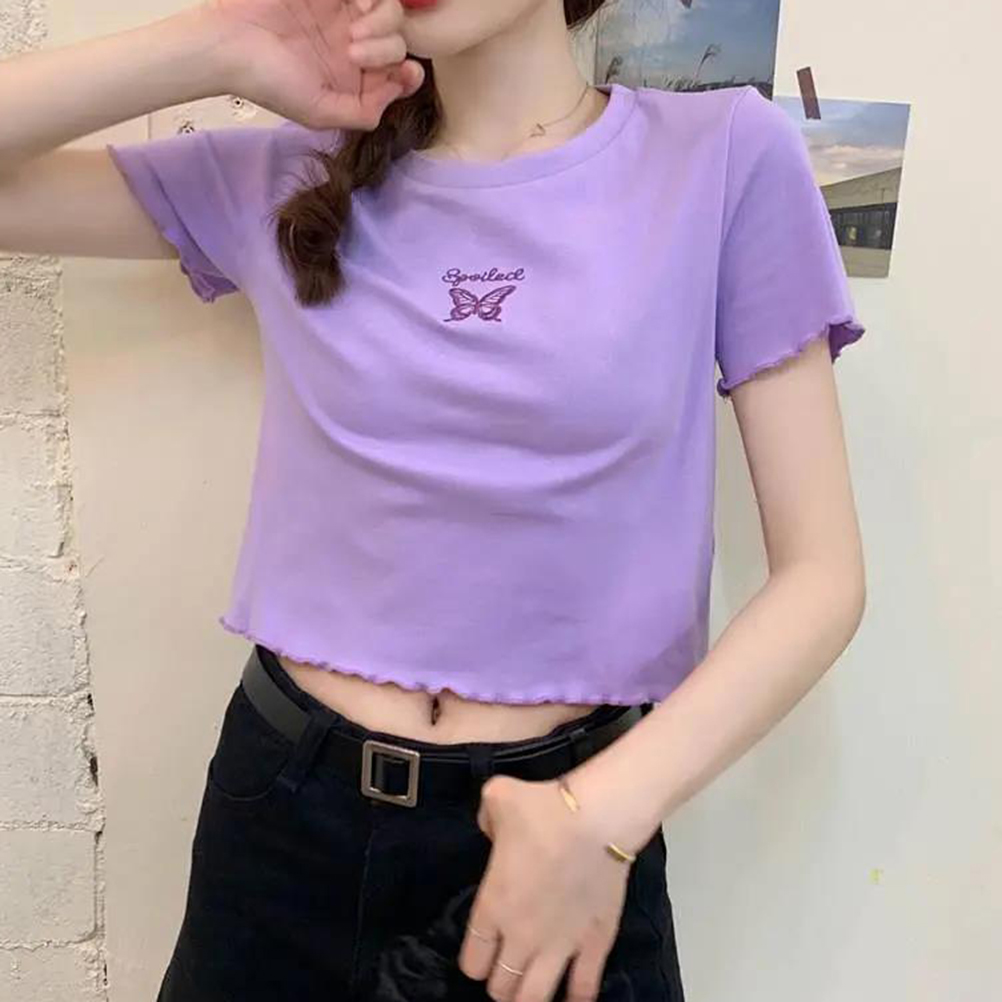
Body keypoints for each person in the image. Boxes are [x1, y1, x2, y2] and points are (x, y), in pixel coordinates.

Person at [0, 0, 868, 999]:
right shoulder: (293, 171)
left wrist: (601, 814)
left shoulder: (721, 157)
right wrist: (216, 45)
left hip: (557, 847)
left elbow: (822, 577)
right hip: (285, 821)